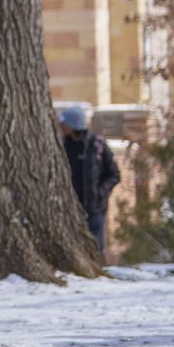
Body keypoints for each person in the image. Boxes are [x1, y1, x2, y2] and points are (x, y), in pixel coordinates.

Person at [60, 106, 121, 256]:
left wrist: (100, 192)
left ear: (73, 124)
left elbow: (114, 175)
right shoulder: (62, 146)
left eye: (64, 123)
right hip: (70, 208)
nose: (61, 126)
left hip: (95, 208)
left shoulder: (96, 145)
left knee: (95, 246)